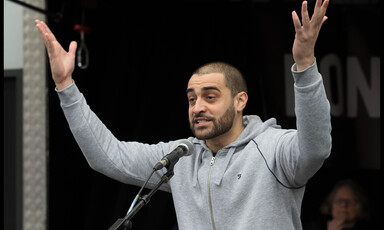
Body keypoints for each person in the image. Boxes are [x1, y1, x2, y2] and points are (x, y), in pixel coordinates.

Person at [36, 0, 332, 229]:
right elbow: (108, 156)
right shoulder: (181, 157)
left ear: (240, 101)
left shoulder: (274, 148)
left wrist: (305, 65)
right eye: (192, 99)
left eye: (210, 96)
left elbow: (315, 147)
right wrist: (66, 87)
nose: (198, 107)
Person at [304, 179, 372, 230]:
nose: (343, 205)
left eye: (349, 201)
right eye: (339, 200)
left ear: (358, 206)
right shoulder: (313, 227)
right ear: (331, 204)